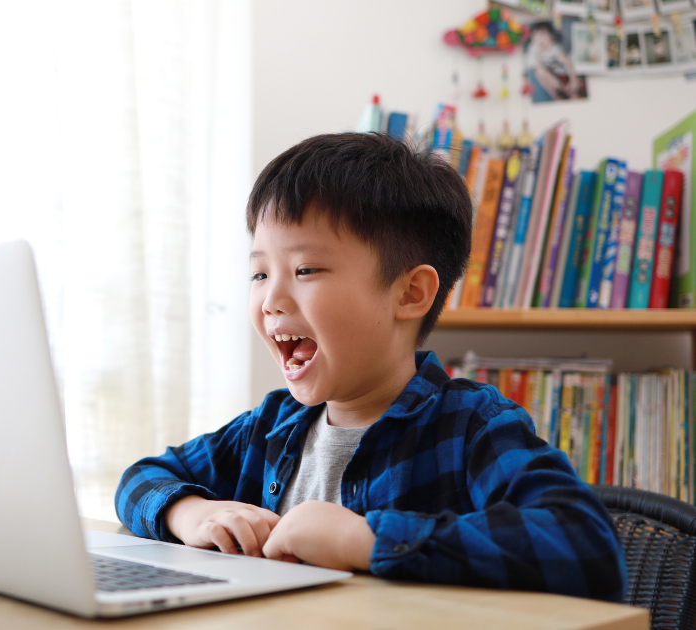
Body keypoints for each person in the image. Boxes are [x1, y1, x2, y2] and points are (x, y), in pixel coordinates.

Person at [114, 132, 627, 602]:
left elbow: (585, 545)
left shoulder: (471, 426)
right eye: (259, 272)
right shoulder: (269, 429)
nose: (271, 298)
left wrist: (364, 539)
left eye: (305, 269)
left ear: (410, 293)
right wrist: (190, 512)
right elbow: (143, 477)